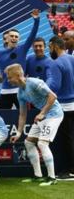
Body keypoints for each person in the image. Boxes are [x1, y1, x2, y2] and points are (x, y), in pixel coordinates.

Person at [8, 64, 64, 186]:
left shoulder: (34, 82)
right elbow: (22, 114)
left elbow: (53, 96)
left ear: (17, 75)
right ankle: (38, 176)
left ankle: (52, 178)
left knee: (42, 143)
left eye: (9, 77)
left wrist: (42, 113)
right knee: (28, 143)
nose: (8, 80)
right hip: (43, 117)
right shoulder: (20, 93)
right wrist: (18, 133)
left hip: (54, 114)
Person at [0, 9, 41, 109]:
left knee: (25, 118)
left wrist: (36, 20)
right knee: (4, 120)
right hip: (4, 91)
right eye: (12, 36)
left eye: (16, 36)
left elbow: (32, 36)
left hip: (21, 90)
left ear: (19, 39)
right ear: (7, 38)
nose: (14, 38)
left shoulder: (22, 49)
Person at [47, 36, 74, 179]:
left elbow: (54, 86)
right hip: (73, 104)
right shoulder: (72, 59)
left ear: (54, 46)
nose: (49, 50)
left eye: (49, 47)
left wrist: (42, 86)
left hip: (63, 106)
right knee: (70, 138)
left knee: (64, 140)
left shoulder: (55, 63)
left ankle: (69, 171)